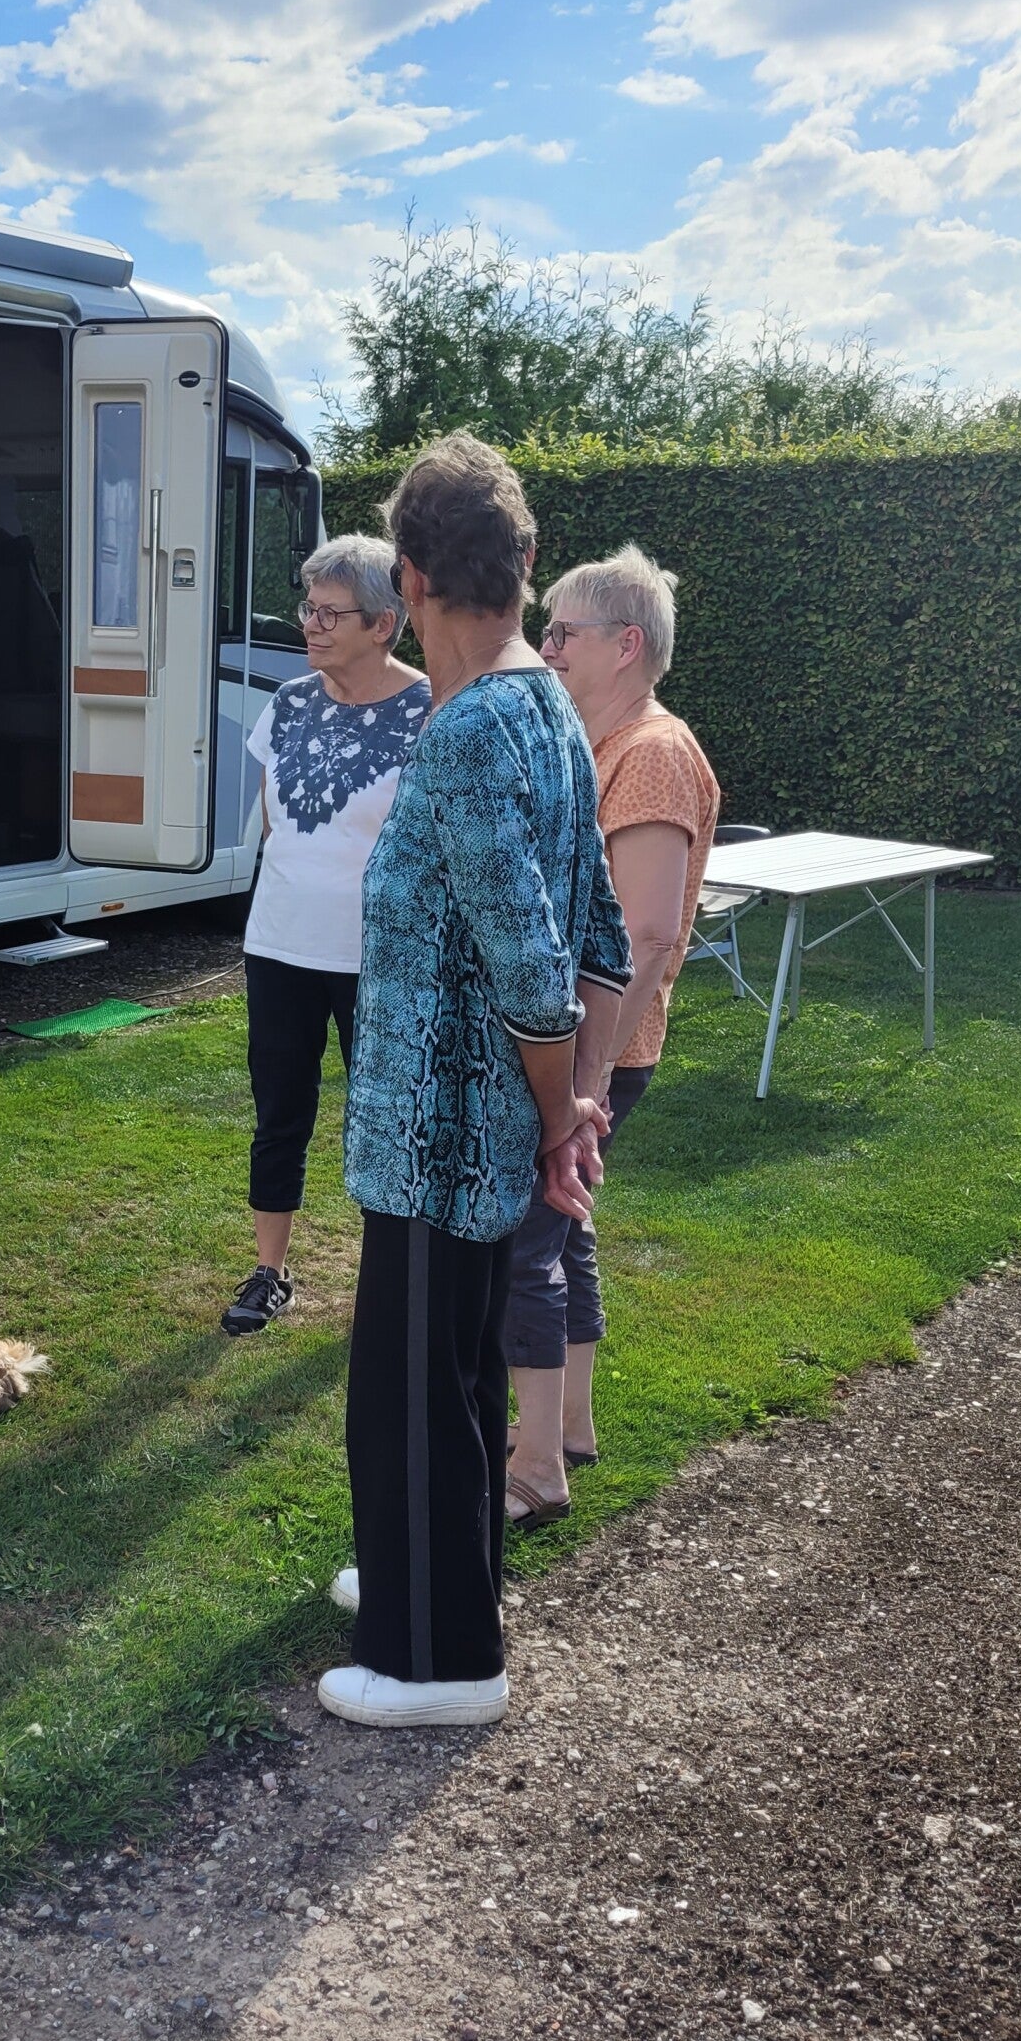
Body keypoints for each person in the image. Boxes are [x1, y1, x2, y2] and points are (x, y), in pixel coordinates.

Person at [316, 435, 631, 1731]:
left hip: (439, 1141)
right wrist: (577, 1106)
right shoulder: (546, 706)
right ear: (526, 561)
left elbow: (535, 965)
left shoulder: (467, 732)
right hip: (475, 1138)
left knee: (412, 1396)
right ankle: (426, 1579)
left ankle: (440, 1663)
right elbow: (599, 936)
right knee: (451, 1380)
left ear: (407, 577)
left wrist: (562, 1120)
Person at [501, 545, 721, 1526]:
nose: (545, 648)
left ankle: (535, 1467)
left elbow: (648, 930)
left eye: (563, 633)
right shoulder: (599, 743)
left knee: (523, 1244)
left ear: (625, 645)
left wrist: (581, 1081)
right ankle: (571, 1428)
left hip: (594, 1053)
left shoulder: (653, 753)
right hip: (573, 1045)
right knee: (564, 1229)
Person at [222, 534, 430, 1335]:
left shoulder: (430, 711)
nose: (309, 624)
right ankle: (269, 1271)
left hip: (380, 958)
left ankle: (392, 1284)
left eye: (329, 613)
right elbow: (276, 821)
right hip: (280, 946)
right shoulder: (287, 703)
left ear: (383, 624)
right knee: (280, 1112)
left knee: (387, 1123)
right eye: (308, 607)